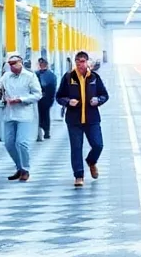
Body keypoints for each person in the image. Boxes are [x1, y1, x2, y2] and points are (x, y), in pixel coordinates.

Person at [56, 51, 109, 188]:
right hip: (74, 120)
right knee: (76, 148)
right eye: (78, 61)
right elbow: (59, 96)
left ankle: (91, 161)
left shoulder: (94, 78)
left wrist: (98, 100)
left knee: (98, 145)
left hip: (92, 119)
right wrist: (68, 102)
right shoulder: (68, 78)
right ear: (75, 62)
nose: (81, 64)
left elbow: (104, 95)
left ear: (87, 62)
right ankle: (78, 176)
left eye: (83, 61)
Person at [0, 52, 42, 182]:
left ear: (21, 63)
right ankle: (19, 167)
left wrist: (21, 99)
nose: (12, 66)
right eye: (10, 64)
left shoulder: (30, 76)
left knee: (21, 142)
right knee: (9, 143)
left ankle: (25, 169)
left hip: (24, 114)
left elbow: (37, 95)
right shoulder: (6, 77)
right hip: (9, 114)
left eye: (14, 63)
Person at [35, 58, 58, 141]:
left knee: (43, 115)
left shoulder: (49, 75)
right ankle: (43, 131)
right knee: (42, 115)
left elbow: (52, 88)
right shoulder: (37, 74)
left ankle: (44, 131)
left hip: (44, 98)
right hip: (42, 99)